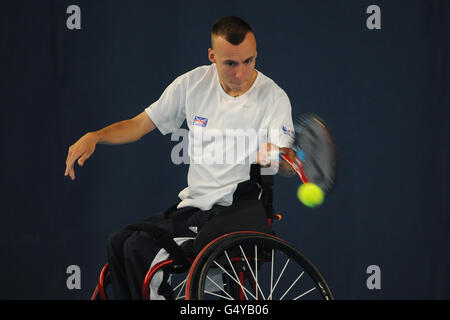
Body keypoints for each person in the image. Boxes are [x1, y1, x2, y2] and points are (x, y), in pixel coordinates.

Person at [64, 16, 297, 300]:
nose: (240, 73)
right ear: (212, 57)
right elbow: (139, 124)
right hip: (193, 207)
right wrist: (96, 135)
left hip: (237, 210)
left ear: (256, 54)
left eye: (248, 61)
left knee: (139, 251)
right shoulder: (192, 84)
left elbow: (282, 153)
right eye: (230, 64)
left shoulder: (274, 98)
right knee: (119, 242)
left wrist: (272, 155)